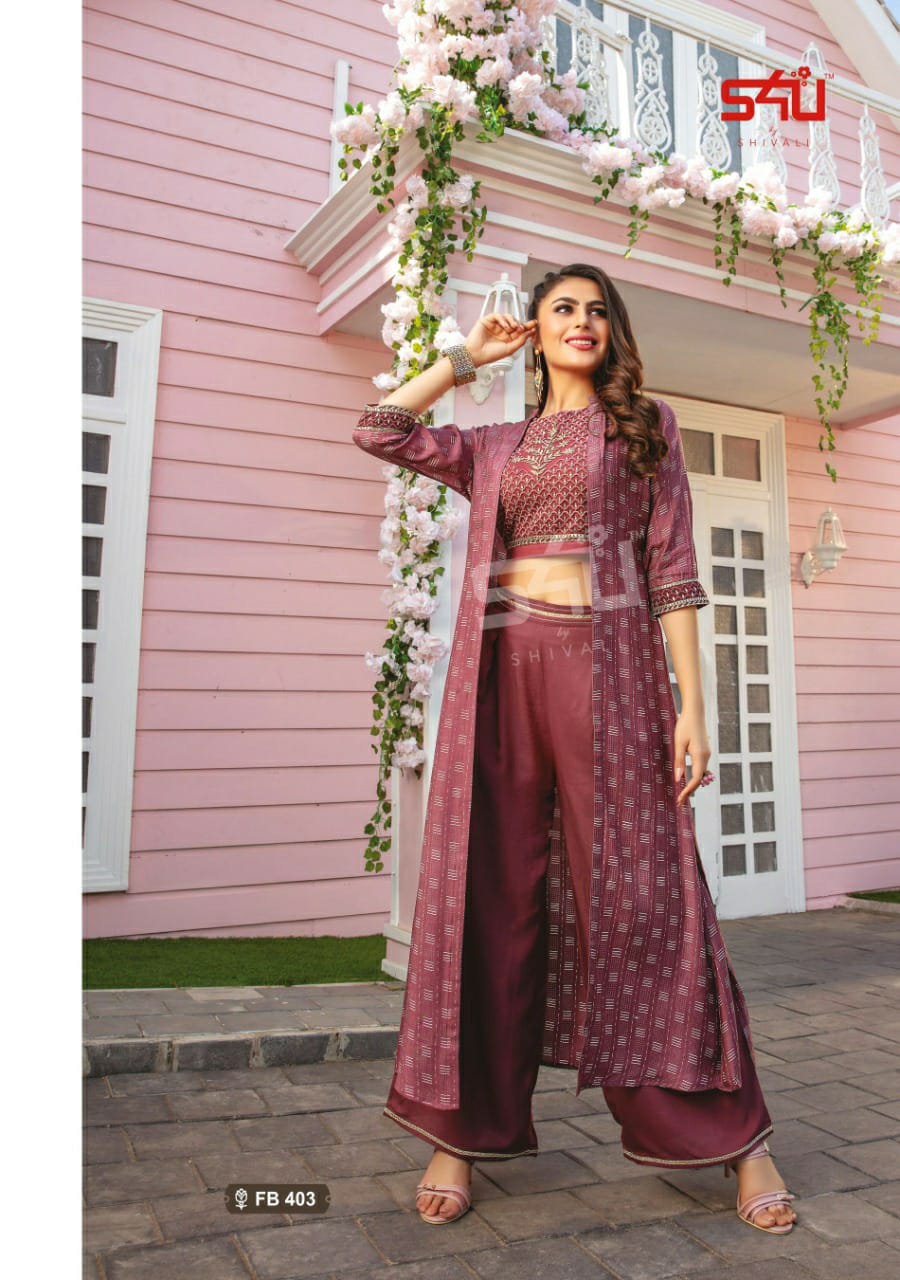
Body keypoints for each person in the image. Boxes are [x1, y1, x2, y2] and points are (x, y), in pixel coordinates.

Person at [351, 264, 798, 1233]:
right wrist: (465, 358)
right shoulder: (495, 443)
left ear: (614, 332)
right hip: (500, 681)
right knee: (488, 889)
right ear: (537, 330)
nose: (582, 321)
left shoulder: (644, 429)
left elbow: (672, 570)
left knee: (648, 896)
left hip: (615, 675)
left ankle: (736, 1138)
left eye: (598, 310)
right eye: (563, 308)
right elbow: (379, 427)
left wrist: (693, 707)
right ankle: (459, 1133)